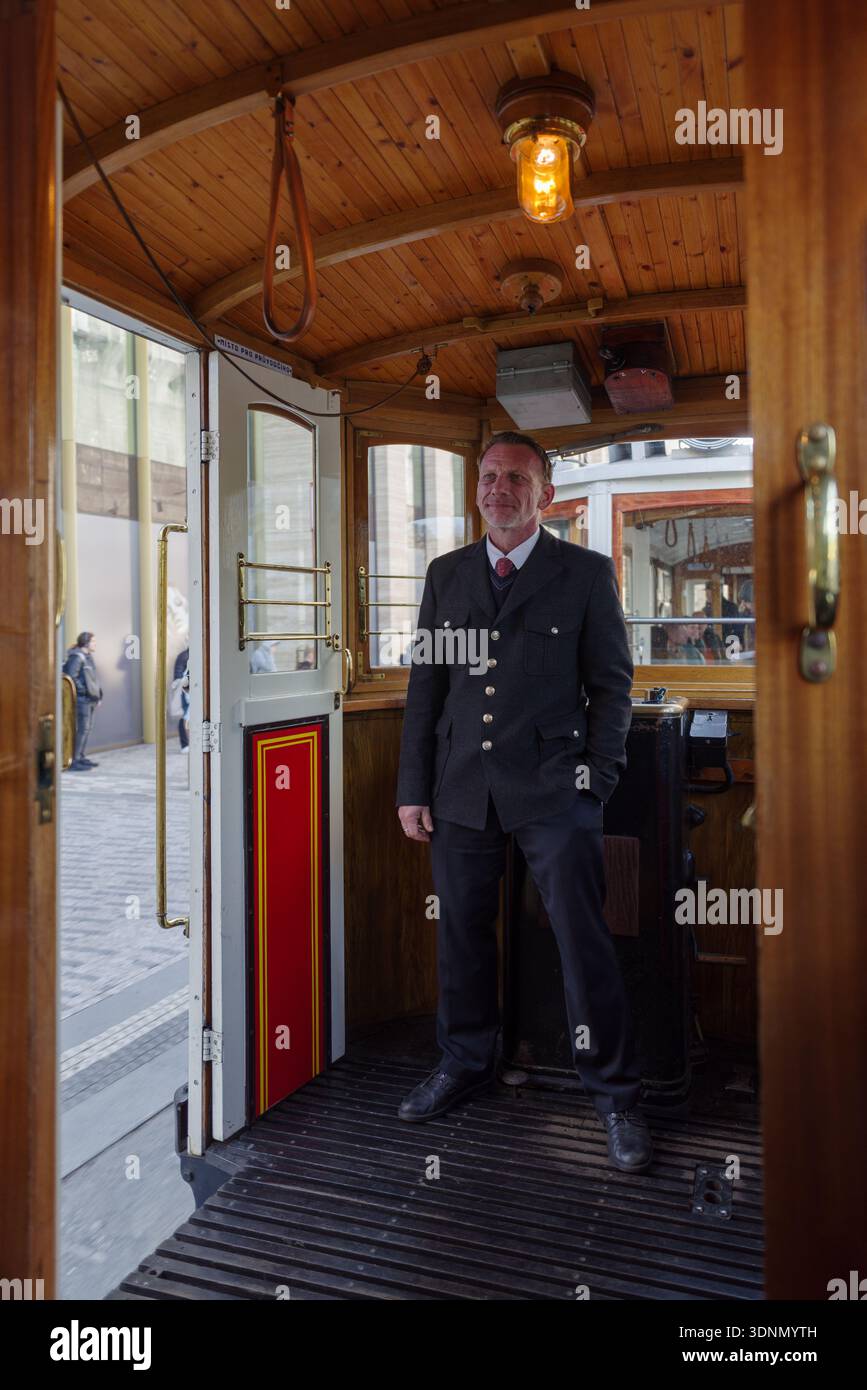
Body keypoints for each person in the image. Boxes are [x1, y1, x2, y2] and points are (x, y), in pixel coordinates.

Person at [395, 430, 652, 1174]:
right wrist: (414, 788)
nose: (498, 489)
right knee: (461, 936)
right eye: (488, 477)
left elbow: (611, 688)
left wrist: (596, 779)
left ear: (543, 494)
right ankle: (465, 1062)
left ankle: (614, 1095)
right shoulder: (446, 576)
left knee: (583, 941)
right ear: (476, 488)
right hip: (461, 789)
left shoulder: (583, 573)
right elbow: (427, 690)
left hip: (554, 791)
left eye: (515, 478)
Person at [63, 631, 102, 771]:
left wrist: (98, 695)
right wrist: (83, 691)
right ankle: (74, 761)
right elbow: (71, 676)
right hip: (82, 699)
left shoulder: (88, 656)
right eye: (93, 641)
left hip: (90, 699)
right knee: (82, 729)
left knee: (86, 729)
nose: (95, 644)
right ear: (86, 643)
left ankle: (80, 756)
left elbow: (93, 678)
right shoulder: (77, 657)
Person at [172, 646, 190, 750]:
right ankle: (185, 744)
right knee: (186, 716)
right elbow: (178, 676)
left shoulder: (186, 655)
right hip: (187, 692)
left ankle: (187, 744)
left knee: (188, 716)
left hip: (190, 691)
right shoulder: (184, 656)